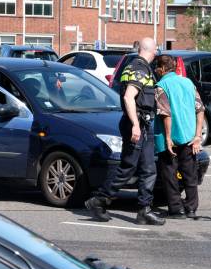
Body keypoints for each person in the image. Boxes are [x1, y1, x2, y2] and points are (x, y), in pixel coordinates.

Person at [85, 37, 165, 225]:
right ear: (150, 50)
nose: (156, 53)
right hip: (136, 124)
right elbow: (130, 97)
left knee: (148, 169)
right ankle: (98, 200)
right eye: (156, 50)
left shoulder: (133, 66)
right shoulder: (139, 68)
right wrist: (135, 124)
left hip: (142, 124)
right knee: (128, 168)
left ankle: (144, 210)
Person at [152, 54, 204, 219]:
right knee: (190, 174)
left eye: (156, 68)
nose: (155, 71)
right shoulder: (188, 83)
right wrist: (197, 135)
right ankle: (191, 208)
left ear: (161, 68)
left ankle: (176, 209)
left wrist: (168, 138)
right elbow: (200, 108)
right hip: (189, 137)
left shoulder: (161, 86)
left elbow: (165, 113)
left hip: (170, 139)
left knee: (169, 174)